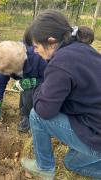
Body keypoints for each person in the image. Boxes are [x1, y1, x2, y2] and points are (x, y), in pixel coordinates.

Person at [21, 10, 101, 179]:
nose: (35, 51)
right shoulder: (82, 47)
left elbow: (44, 111)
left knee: (36, 116)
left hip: (97, 134)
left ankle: (44, 168)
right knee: (72, 160)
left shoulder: (60, 64)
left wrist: (36, 89)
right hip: (95, 120)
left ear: (51, 41)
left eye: (36, 46)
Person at [0, 40, 47, 132]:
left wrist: (34, 82)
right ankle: (25, 115)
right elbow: (0, 83)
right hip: (27, 75)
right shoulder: (6, 60)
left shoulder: (38, 57)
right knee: (25, 88)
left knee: (30, 91)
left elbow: (54, 79)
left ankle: (35, 118)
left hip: (48, 85)